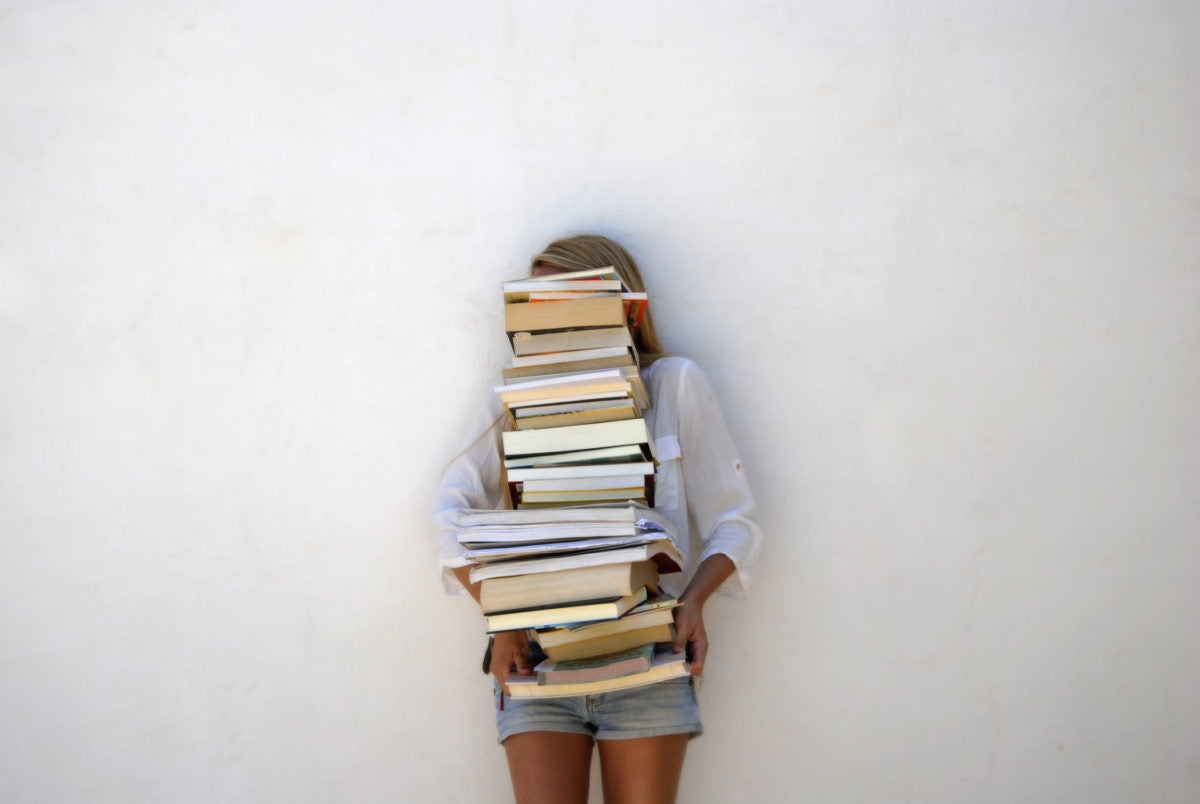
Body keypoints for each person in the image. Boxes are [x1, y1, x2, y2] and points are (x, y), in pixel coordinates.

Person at [430, 234, 762, 804]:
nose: (556, 318)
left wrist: (695, 602)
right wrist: (501, 620)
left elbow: (736, 519)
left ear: (622, 306)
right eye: (538, 304)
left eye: (571, 298)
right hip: (537, 660)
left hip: (650, 659)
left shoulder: (673, 382)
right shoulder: (511, 400)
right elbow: (447, 516)